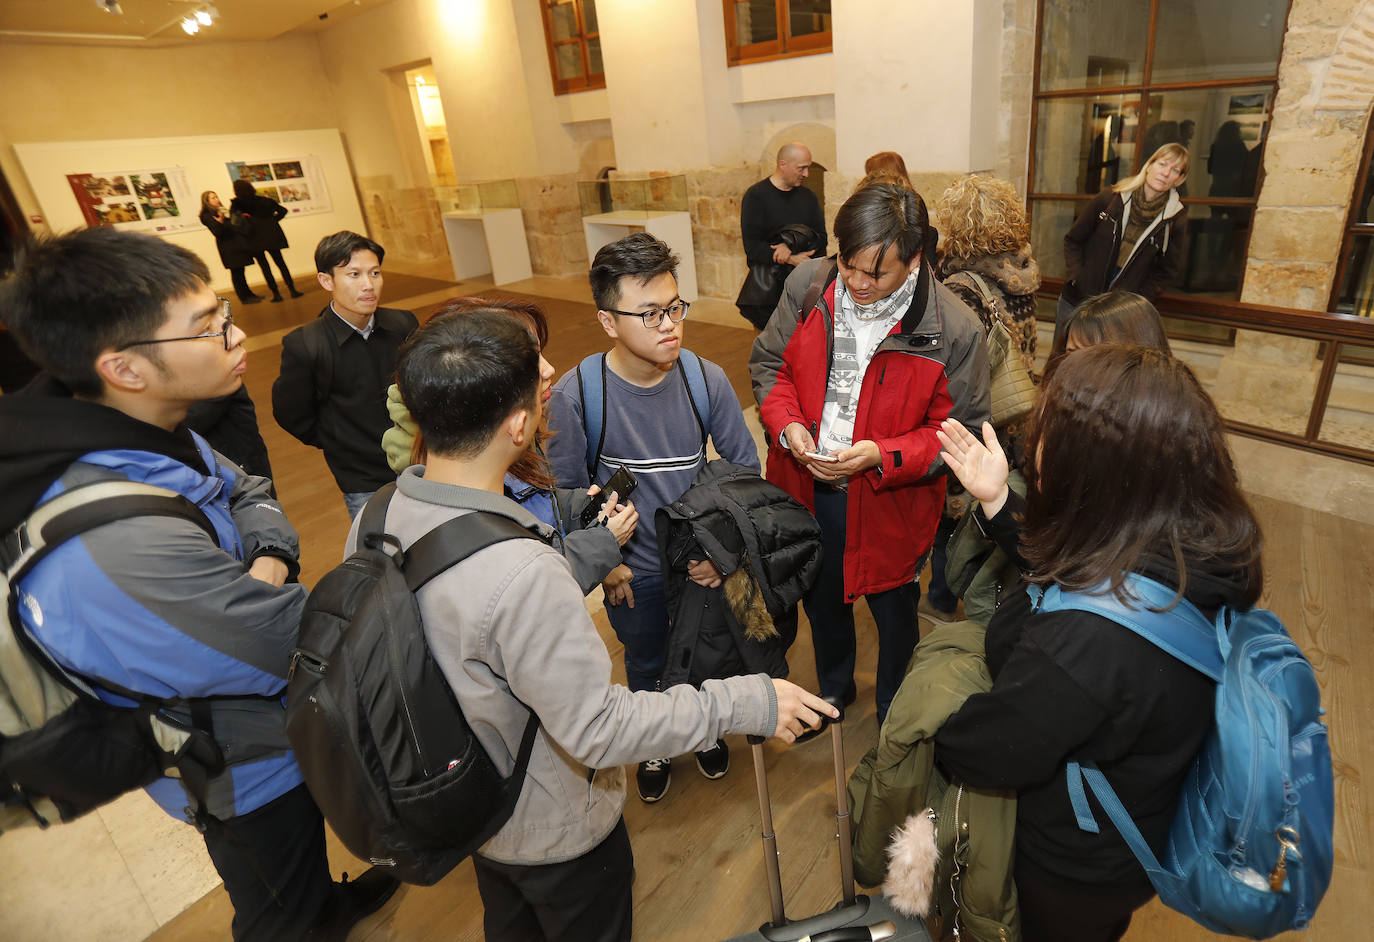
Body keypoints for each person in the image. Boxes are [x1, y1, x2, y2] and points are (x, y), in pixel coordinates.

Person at [367, 309, 836, 942]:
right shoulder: (523, 571)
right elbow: (597, 727)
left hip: (472, 804)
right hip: (553, 826)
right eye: (536, 373)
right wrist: (748, 698)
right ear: (515, 424)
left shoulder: (380, 511)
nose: (553, 372)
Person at [0, 227, 399, 941]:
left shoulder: (142, 426)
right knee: (280, 906)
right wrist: (280, 588)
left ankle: (329, 902)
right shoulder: (118, 545)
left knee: (307, 867)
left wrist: (267, 561)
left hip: (266, 727)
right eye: (210, 328)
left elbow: (247, 488)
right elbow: (289, 641)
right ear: (124, 367)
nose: (238, 334)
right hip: (237, 767)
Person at [933, 345, 1263, 942]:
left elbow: (983, 749)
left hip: (1070, 869)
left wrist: (937, 720)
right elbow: (1081, 570)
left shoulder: (1086, 645)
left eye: (1049, 434)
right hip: (1139, 829)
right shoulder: (1191, 551)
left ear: (1093, 469)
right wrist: (998, 502)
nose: (1034, 449)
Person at [750, 181, 990, 735]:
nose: (856, 283)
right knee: (822, 598)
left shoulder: (952, 329)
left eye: (875, 273)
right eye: (848, 265)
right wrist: (788, 427)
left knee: (893, 610)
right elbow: (770, 367)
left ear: (915, 258)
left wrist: (881, 455)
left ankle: (894, 711)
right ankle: (834, 689)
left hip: (891, 500)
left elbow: (960, 433)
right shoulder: (810, 287)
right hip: (808, 487)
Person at [546, 232, 761, 802]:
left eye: (674, 308)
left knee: (706, 653)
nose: (669, 325)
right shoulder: (579, 393)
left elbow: (743, 469)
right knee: (645, 661)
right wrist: (604, 562)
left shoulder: (703, 378)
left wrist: (719, 556)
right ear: (609, 322)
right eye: (649, 314)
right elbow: (563, 492)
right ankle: (653, 743)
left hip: (697, 564)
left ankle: (706, 726)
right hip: (630, 570)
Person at [380, 295, 635, 595]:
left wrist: (578, 507)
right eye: (529, 359)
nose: (549, 369)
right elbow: (528, 588)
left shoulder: (494, 444)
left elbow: (536, 510)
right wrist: (602, 545)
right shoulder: (462, 496)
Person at [918, 173, 1042, 623]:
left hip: (975, 415)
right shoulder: (1023, 274)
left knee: (953, 512)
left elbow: (950, 368)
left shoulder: (960, 289)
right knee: (999, 505)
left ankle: (943, 596)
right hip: (1017, 412)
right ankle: (990, 594)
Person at [272, 230, 418, 520]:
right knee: (377, 556)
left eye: (374, 273)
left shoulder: (403, 324)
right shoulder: (305, 344)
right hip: (362, 479)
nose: (368, 285)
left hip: (418, 465)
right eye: (354, 274)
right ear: (327, 281)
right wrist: (338, 440)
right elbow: (291, 413)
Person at [1056, 142, 1190, 348]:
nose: (1165, 173)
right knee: (1062, 358)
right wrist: (1077, 278)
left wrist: (1135, 301)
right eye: (1163, 164)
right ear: (1150, 165)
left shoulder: (1175, 219)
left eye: (1174, 170)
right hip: (1077, 300)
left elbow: (1166, 272)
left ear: (1180, 179)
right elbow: (1073, 240)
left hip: (1118, 314)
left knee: (1101, 368)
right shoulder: (1110, 198)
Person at [737, 141, 827, 329]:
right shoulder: (756, 197)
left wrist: (789, 246)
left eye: (807, 168)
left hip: (804, 286)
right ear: (783, 164)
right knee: (771, 350)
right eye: (801, 168)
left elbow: (821, 237)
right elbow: (752, 247)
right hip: (769, 292)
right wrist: (789, 259)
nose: (806, 174)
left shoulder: (808, 196)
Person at [229, 178, 304, 303]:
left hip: (254, 237)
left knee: (265, 267)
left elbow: (234, 220)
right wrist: (273, 221)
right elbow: (283, 211)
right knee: (280, 263)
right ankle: (292, 290)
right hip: (271, 235)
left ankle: (276, 294)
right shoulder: (265, 201)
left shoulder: (238, 204)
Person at [198, 190, 262, 304]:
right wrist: (221, 222)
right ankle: (244, 297)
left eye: (216, 196)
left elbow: (234, 224)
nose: (216, 199)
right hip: (227, 245)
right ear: (206, 201)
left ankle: (249, 294)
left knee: (241, 270)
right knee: (236, 272)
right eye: (212, 198)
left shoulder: (222, 210)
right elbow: (218, 232)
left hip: (235, 243)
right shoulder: (206, 215)